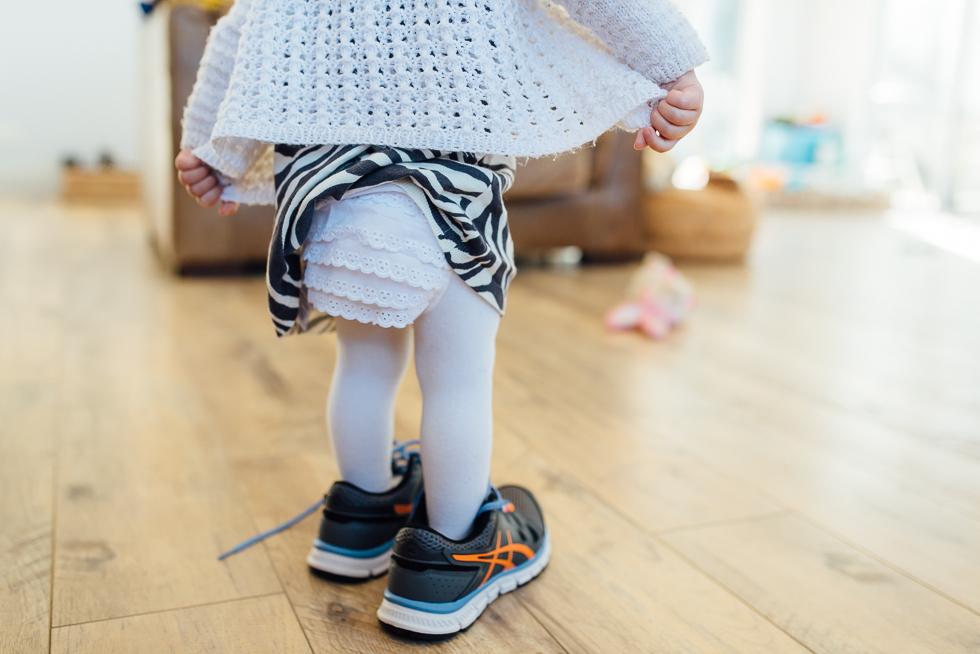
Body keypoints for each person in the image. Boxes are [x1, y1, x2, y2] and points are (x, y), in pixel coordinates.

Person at [176, 0, 706, 636]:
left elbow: (240, 30)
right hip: (444, 194)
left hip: (332, 198)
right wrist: (674, 67)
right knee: (455, 383)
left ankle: (359, 520)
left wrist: (209, 150)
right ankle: (450, 557)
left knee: (363, 365)